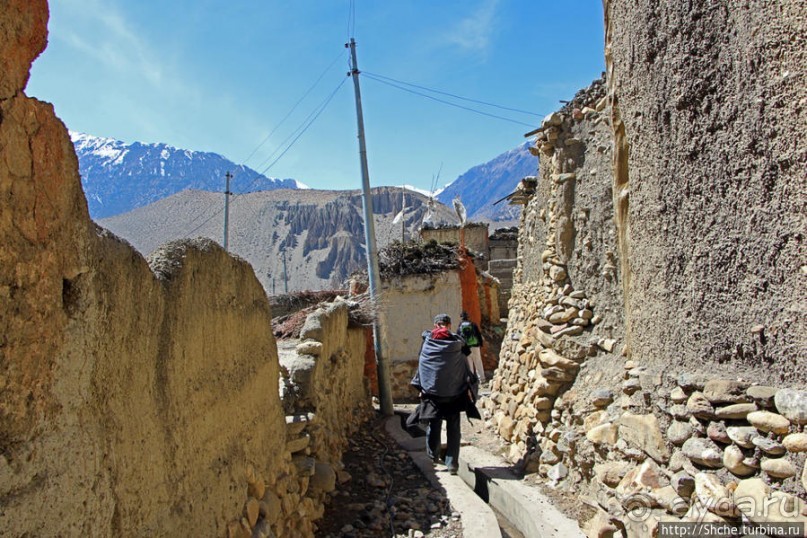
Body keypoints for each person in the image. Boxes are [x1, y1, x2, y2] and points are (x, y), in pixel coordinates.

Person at [408, 313, 480, 475]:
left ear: (435, 325)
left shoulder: (427, 342)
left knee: (434, 424)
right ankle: (452, 464)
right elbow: (469, 364)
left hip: (432, 392)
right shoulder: (458, 342)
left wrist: (422, 387)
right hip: (454, 392)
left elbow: (422, 364)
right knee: (454, 427)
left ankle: (433, 456)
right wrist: (471, 384)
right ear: (449, 325)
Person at [458, 311, 485, 384]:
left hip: (466, 348)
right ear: (468, 317)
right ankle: (481, 379)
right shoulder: (473, 324)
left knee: (469, 363)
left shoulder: (460, 326)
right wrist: (480, 344)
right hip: (475, 346)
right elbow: (478, 335)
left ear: (461, 318)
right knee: (478, 361)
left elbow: (458, 338)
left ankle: (472, 380)